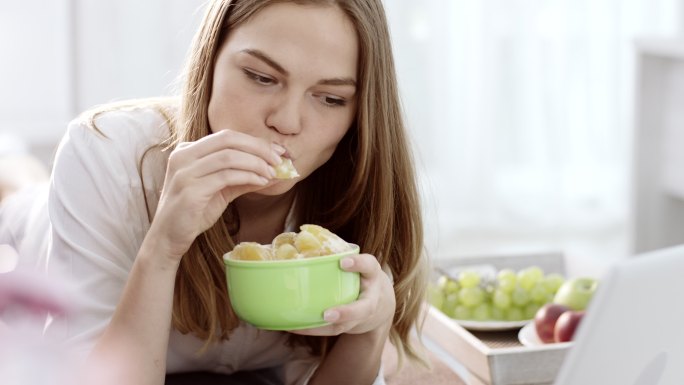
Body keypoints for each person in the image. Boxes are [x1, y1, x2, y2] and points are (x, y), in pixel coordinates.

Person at [43, 1, 429, 384]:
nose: (286, 121)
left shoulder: (359, 197)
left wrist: (369, 334)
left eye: (331, 99)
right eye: (261, 77)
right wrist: (162, 248)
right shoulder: (104, 154)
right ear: (210, 60)